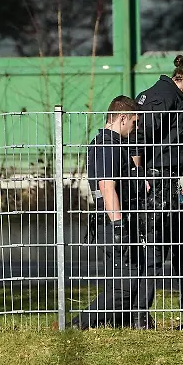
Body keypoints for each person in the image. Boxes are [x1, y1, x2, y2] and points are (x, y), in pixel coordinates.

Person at [130, 55, 183, 330]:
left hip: (170, 184)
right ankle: (140, 314)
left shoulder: (175, 99)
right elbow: (136, 137)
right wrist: (141, 176)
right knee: (155, 251)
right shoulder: (161, 97)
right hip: (156, 185)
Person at [72, 96, 148, 330]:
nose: (135, 128)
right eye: (134, 122)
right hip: (112, 222)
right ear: (122, 118)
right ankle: (79, 323)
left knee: (127, 277)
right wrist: (118, 227)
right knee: (124, 287)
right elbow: (107, 186)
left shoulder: (113, 144)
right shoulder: (108, 144)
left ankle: (124, 323)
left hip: (113, 220)